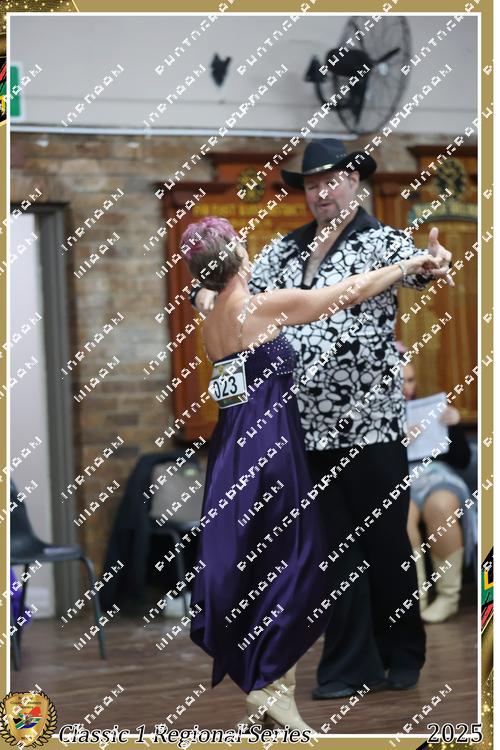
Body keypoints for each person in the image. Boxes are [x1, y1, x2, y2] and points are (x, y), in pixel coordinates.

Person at [190, 138, 455, 697]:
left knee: (385, 543)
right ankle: (349, 666)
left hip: (369, 423)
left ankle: (402, 654)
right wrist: (202, 296)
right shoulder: (282, 251)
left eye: (331, 180)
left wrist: (434, 264)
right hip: (301, 430)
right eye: (312, 184)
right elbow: (235, 295)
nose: (321, 191)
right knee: (330, 553)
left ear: (355, 181)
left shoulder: (384, 242)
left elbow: (420, 270)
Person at [402, 359, 475, 623]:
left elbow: (463, 460)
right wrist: (396, 444)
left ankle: (448, 597)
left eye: (410, 380)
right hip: (399, 481)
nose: (406, 387)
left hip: (439, 476)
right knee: (401, 514)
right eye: (399, 381)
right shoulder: (375, 420)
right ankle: (415, 599)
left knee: (442, 507)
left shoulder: (433, 410)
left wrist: (453, 426)